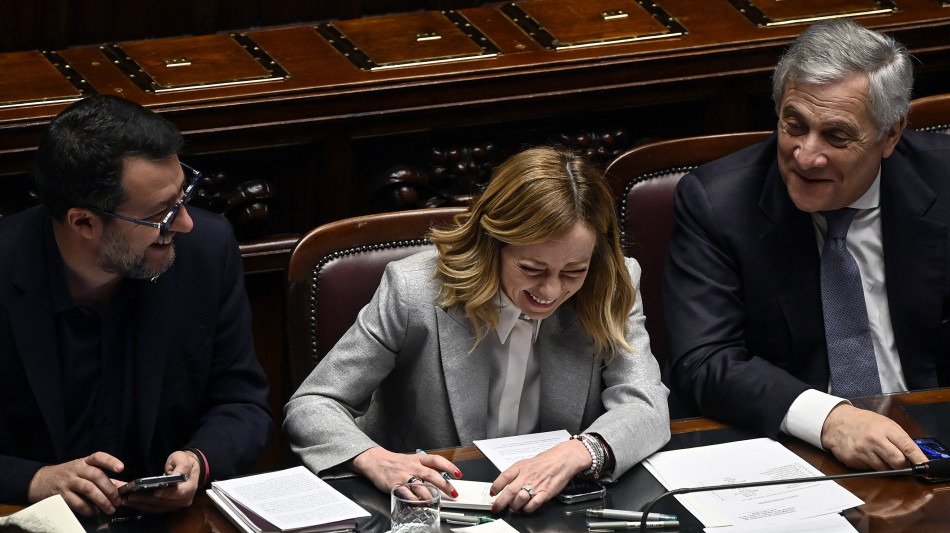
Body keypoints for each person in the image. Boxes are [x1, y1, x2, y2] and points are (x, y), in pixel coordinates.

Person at [284, 146, 670, 513]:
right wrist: (374, 460)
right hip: (432, 508)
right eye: (532, 269)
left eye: (573, 271)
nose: (551, 292)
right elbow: (313, 405)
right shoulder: (413, 290)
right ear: (492, 244)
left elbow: (646, 406)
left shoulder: (613, 284)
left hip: (556, 509)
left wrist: (579, 452)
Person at [663, 18, 950, 472]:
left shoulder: (943, 180)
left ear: (890, 134)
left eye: (836, 136)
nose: (805, 156)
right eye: (794, 125)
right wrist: (831, 419)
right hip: (793, 445)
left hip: (932, 432)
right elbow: (705, 361)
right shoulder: (717, 204)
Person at [0, 95, 274, 517]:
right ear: (84, 223)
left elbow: (243, 404)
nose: (185, 223)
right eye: (162, 215)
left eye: (184, 196)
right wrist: (36, 479)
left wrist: (199, 462)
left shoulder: (206, 250)